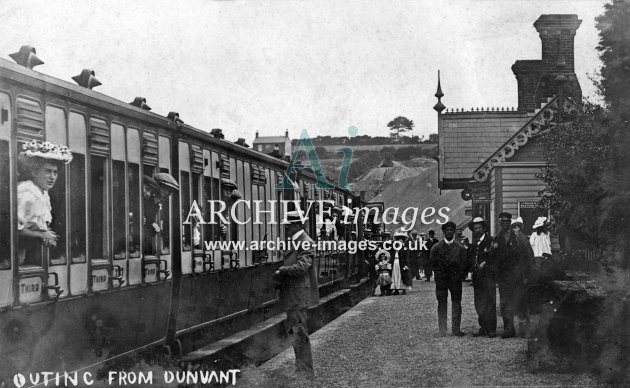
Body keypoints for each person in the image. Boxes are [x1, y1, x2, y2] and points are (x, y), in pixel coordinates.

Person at [273, 209, 319, 378]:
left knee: (300, 332)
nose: (285, 227)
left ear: (297, 225)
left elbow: (301, 268)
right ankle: (301, 369)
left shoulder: (305, 242)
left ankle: (306, 371)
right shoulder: (297, 241)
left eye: (288, 224)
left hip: (298, 296)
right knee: (296, 331)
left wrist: (282, 271)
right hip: (294, 295)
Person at [17, 140, 72, 266]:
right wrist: (41, 235)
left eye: (55, 172)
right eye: (47, 171)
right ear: (34, 172)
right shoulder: (27, 194)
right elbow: (14, 229)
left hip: (26, 253)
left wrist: (44, 235)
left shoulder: (42, 194)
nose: (52, 177)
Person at [493, 212, 533, 338]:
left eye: (506, 221)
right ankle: (509, 329)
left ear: (510, 222)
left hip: (518, 276)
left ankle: (524, 330)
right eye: (501, 221)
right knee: (505, 303)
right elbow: (494, 258)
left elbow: (528, 256)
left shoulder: (519, 237)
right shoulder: (497, 238)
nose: (503, 223)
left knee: (520, 301)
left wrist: (526, 275)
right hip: (504, 277)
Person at [429, 221, 469, 336]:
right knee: (442, 304)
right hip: (441, 281)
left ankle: (456, 330)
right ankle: (442, 330)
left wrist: (459, 276)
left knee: (456, 303)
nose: (449, 232)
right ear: (443, 232)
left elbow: (464, 264)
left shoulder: (460, 248)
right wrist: (439, 275)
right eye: (447, 230)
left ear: (454, 231)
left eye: (451, 230)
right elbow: (432, 263)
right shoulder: (436, 248)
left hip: (455, 281)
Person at [467, 217, 497, 337]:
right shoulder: (475, 243)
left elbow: (494, 257)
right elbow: (471, 258)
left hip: (488, 277)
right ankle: (483, 327)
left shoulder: (491, 241)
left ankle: (491, 329)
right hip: (478, 278)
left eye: (479, 227)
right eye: (475, 228)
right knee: (479, 303)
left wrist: (485, 262)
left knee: (490, 302)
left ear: (484, 228)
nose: (477, 230)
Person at [389, 230, 412, 295]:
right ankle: (396, 289)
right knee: (394, 275)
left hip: (401, 263)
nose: (400, 242)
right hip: (395, 263)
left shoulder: (404, 249)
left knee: (403, 276)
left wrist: (406, 265)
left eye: (401, 241)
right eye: (399, 241)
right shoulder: (394, 248)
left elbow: (406, 257)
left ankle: (403, 289)